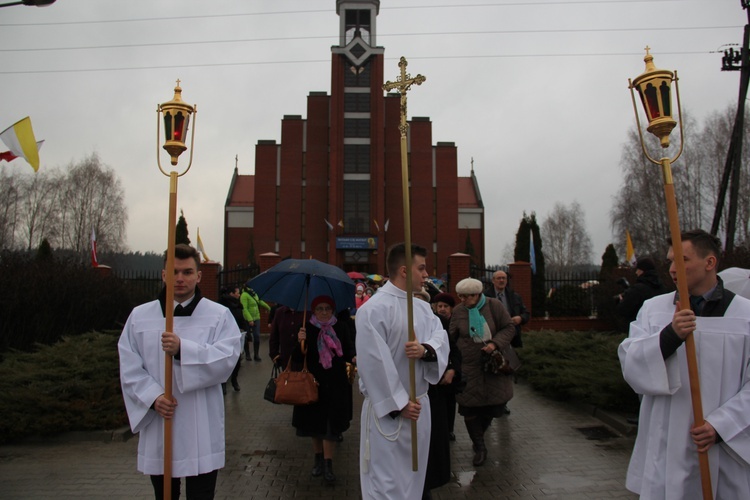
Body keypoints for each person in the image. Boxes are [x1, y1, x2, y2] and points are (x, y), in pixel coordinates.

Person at [618, 229, 750, 499]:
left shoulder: (744, 315)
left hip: (718, 447)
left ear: (709, 263)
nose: (673, 269)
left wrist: (721, 426)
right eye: (669, 261)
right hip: (666, 447)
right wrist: (670, 336)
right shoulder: (654, 309)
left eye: (682, 260)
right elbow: (631, 363)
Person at [118, 244, 242, 499]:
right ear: (163, 275)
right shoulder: (140, 317)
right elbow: (129, 366)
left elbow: (228, 359)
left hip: (201, 422)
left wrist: (183, 350)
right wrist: (153, 398)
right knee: (164, 495)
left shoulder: (219, 316)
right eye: (174, 271)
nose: (180, 278)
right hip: (162, 421)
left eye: (187, 272)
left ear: (199, 276)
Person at [355, 243, 449, 499]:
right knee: (386, 485)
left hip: (419, 409)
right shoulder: (372, 311)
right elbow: (373, 363)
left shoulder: (421, 309)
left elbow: (441, 338)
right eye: (422, 268)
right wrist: (398, 404)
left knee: (414, 482)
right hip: (390, 413)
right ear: (405, 271)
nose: (426, 274)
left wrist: (425, 349)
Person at [450, 277, 515, 466]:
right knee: (469, 408)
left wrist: (495, 343)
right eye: (460, 296)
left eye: (466, 297)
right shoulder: (458, 311)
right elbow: (451, 336)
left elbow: (509, 327)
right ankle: (479, 447)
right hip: (468, 367)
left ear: (476, 294)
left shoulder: (494, 306)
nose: (462, 300)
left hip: (492, 366)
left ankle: (480, 436)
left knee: (493, 408)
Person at [292, 295, 356, 484]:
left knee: (330, 427)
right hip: (313, 385)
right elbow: (297, 358)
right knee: (314, 426)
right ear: (314, 311)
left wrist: (354, 358)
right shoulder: (306, 328)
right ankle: (317, 459)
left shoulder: (341, 327)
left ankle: (328, 464)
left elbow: (349, 349)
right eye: (319, 309)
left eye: (327, 308)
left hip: (336, 385)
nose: (324, 312)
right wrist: (300, 341)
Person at [615, 256, 668, 332]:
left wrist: (621, 301)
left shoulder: (638, 289)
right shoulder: (662, 287)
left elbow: (623, 310)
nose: (636, 272)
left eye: (638, 269)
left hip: (639, 331)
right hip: (660, 330)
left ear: (642, 271)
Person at [486, 270, 529, 348]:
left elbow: (526, 313)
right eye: (499, 278)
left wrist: (521, 318)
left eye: (504, 278)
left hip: (513, 337)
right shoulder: (485, 297)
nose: (501, 280)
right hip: (493, 337)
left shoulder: (515, 296)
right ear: (493, 280)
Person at [218, 286, 247, 392]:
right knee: (233, 360)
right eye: (237, 293)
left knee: (233, 360)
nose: (239, 295)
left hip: (233, 335)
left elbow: (241, 318)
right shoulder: (224, 307)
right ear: (231, 294)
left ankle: (228, 382)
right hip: (229, 336)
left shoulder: (236, 306)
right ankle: (229, 382)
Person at [241, 285, 270, 361]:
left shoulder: (254, 294)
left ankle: (256, 354)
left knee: (256, 335)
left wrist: (268, 308)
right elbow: (244, 308)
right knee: (247, 336)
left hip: (256, 317)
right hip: (247, 319)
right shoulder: (244, 295)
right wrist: (250, 319)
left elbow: (259, 301)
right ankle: (247, 354)